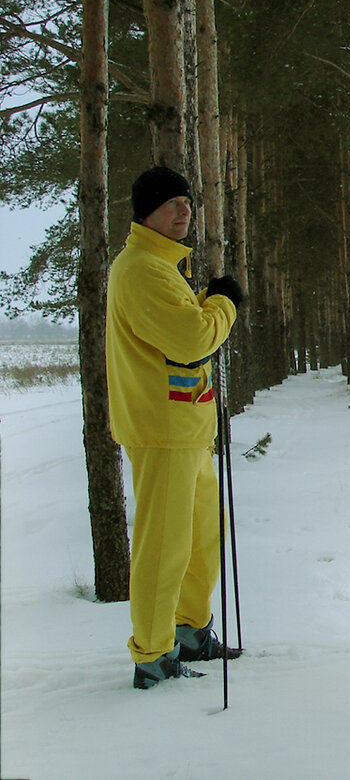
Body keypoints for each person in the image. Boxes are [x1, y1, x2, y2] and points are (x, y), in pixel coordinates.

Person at [106, 165, 245, 689]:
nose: (184, 211)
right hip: (162, 427)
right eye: (172, 204)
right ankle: (152, 655)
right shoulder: (142, 268)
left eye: (187, 202)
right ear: (147, 213)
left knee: (204, 534)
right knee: (163, 545)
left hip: (186, 426)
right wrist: (224, 301)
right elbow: (191, 340)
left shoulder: (165, 267)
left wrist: (210, 300)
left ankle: (190, 629)